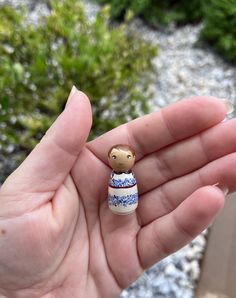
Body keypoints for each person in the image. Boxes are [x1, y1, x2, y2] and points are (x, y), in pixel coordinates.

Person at [0, 86, 235, 298]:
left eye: (124, 157)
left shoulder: (126, 176)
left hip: (126, 205)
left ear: (131, 159)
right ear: (112, 160)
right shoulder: (114, 176)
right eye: (116, 157)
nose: (121, 160)